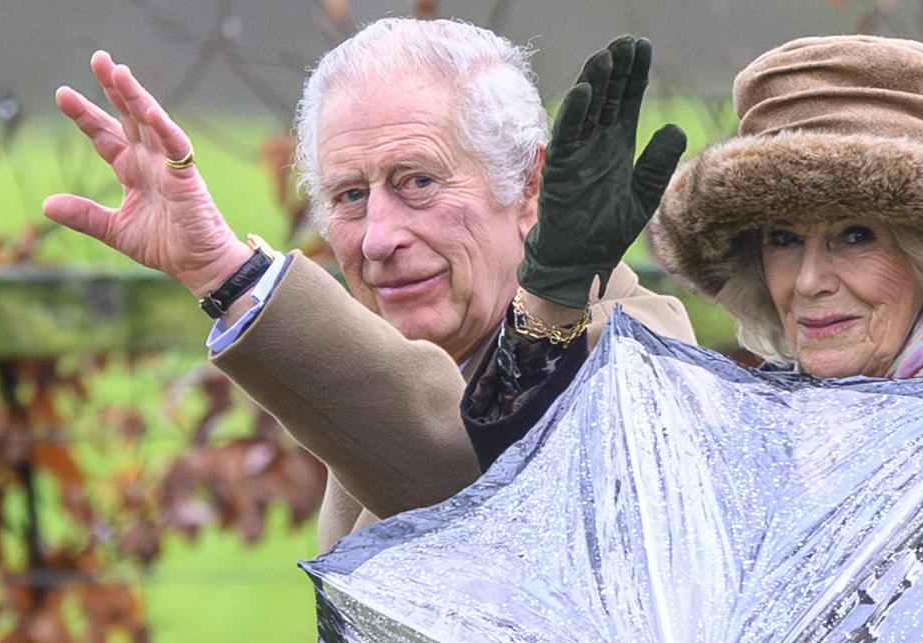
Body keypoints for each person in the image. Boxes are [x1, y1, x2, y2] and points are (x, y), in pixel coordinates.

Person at [464, 35, 923, 631]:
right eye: (784, 240)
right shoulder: (753, 422)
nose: (808, 280)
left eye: (855, 236)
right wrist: (553, 291)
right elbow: (554, 495)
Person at [42, 18, 695, 553]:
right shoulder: (407, 372)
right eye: (351, 195)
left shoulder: (639, 349)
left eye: (417, 182)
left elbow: (471, 477)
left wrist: (228, 273)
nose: (379, 238)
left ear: (529, 185)